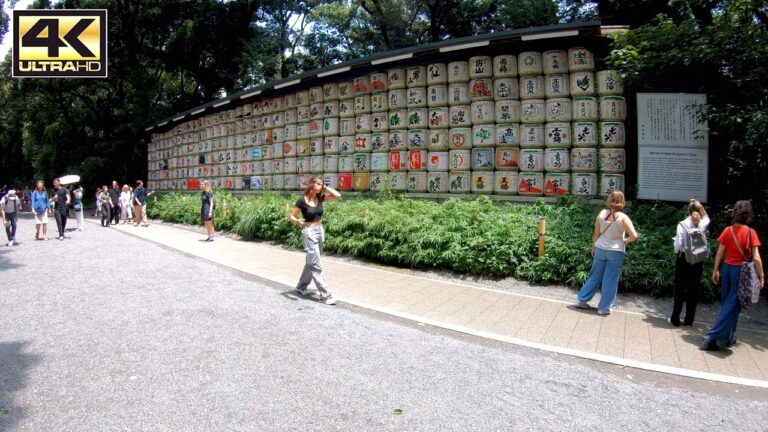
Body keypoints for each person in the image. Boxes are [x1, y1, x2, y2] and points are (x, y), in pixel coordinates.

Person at [700, 201, 764, 351]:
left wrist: (715, 270)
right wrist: (761, 276)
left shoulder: (728, 230)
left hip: (727, 269)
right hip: (741, 272)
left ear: (735, 213)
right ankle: (712, 337)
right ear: (748, 215)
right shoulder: (750, 233)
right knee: (733, 305)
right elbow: (756, 257)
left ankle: (730, 336)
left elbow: (720, 252)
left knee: (728, 303)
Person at [574, 190, 639, 315]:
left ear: (609, 200)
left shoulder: (602, 213)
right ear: (622, 202)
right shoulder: (623, 218)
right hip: (615, 251)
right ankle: (604, 308)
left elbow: (596, 234)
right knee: (610, 279)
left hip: (600, 248)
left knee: (594, 275)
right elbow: (634, 236)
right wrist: (625, 241)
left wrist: (593, 247)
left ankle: (581, 300)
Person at [288, 175, 342, 305]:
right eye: (318, 184)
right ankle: (326, 295)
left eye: (321, 184)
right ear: (311, 184)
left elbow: (338, 196)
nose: (320, 186)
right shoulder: (302, 200)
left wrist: (325, 187)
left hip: (319, 231)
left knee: (311, 261)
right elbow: (291, 216)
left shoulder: (320, 198)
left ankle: (301, 287)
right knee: (316, 264)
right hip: (309, 233)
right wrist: (297, 221)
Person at [667, 200, 709, 327]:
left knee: (679, 289)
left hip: (684, 259)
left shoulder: (683, 225)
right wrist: (701, 207)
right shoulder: (703, 224)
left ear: (688, 210)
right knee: (693, 290)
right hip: (698, 260)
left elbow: (678, 245)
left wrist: (679, 249)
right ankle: (689, 320)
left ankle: (675, 319)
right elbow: (707, 217)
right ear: (699, 210)